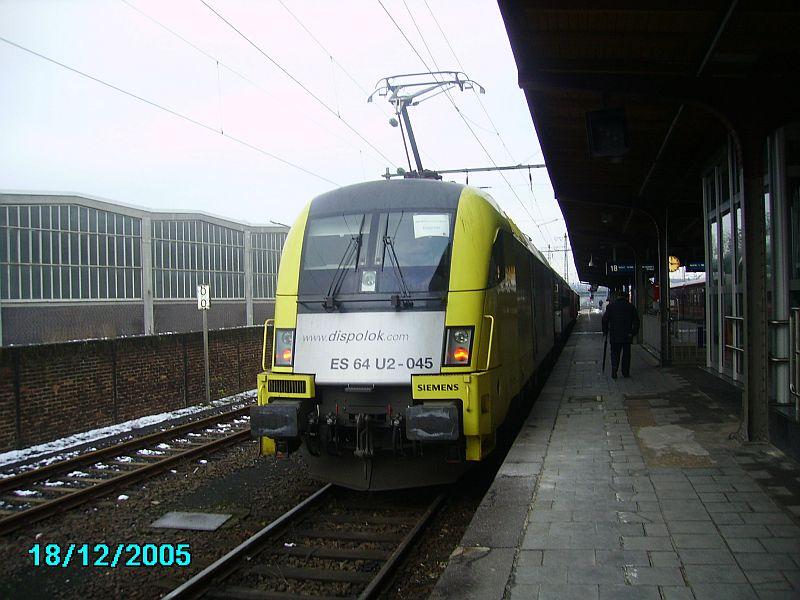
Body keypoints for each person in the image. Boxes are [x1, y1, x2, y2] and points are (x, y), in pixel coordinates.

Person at [602, 290, 640, 378]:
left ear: (617, 297)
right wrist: (633, 332)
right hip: (627, 335)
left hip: (614, 335)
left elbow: (605, 320)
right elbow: (636, 321)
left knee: (615, 353)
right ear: (626, 297)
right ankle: (625, 372)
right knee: (626, 354)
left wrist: (605, 331)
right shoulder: (630, 307)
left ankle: (614, 370)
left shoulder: (611, 306)